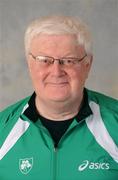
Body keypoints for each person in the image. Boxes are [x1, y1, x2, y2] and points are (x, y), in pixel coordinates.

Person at [0, 15, 118, 180]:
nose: (56, 72)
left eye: (69, 60)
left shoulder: (115, 123)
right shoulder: (2, 129)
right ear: (29, 63)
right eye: (44, 60)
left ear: (87, 64)